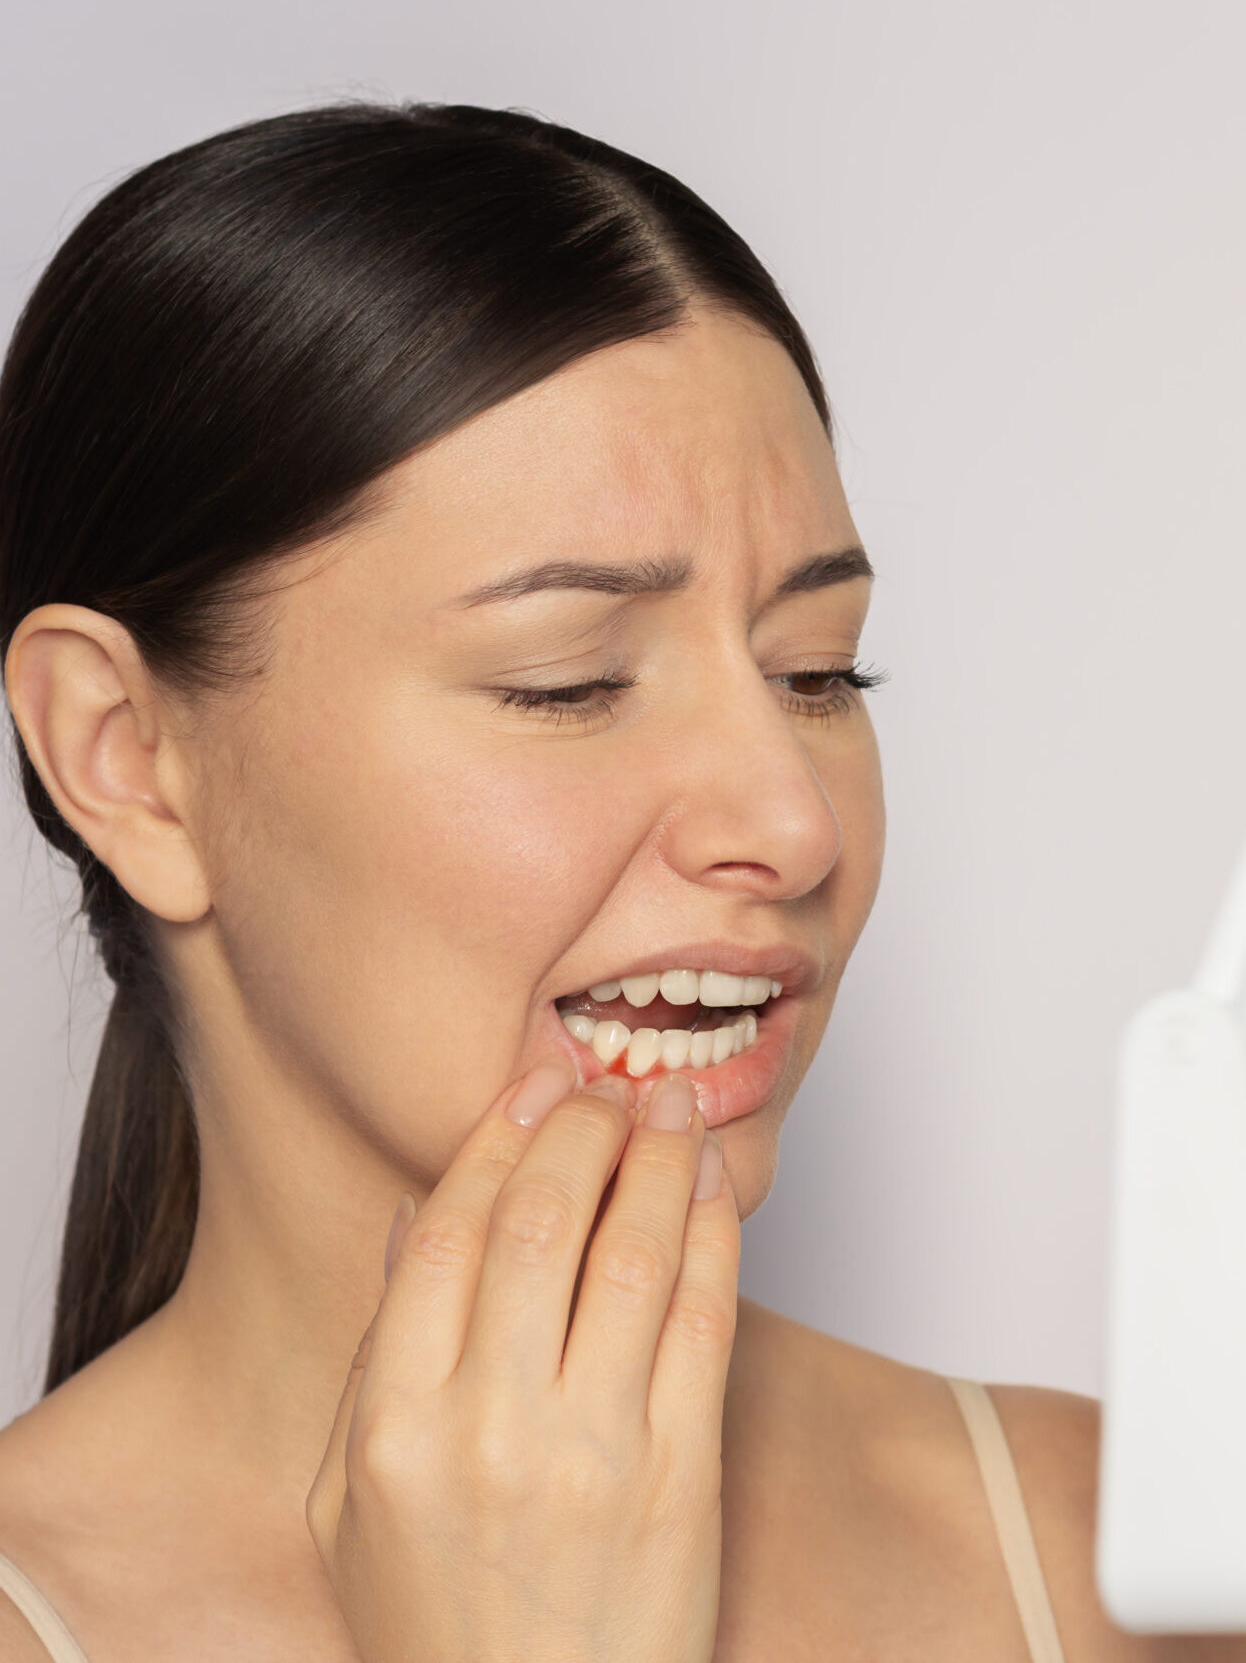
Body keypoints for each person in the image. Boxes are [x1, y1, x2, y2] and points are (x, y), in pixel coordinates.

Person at [0, 98, 1228, 1663]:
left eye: (818, 673)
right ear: (122, 756)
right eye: (568, 682)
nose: (792, 823)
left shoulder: (1125, 1565)